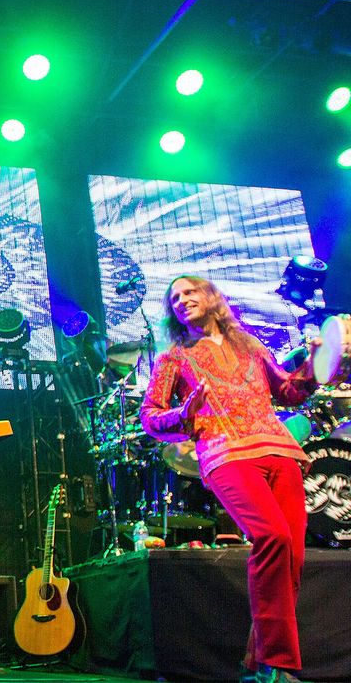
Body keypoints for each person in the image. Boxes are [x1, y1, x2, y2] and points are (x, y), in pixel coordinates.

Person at [140, 276, 318, 683]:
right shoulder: (174, 358)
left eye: (189, 292)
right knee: (271, 536)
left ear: (211, 298)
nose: (182, 301)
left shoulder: (249, 345)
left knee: (291, 556)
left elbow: (288, 392)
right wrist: (185, 412)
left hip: (280, 450)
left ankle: (260, 663)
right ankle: (278, 664)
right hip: (226, 454)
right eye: (175, 298)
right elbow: (150, 417)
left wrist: (318, 364)